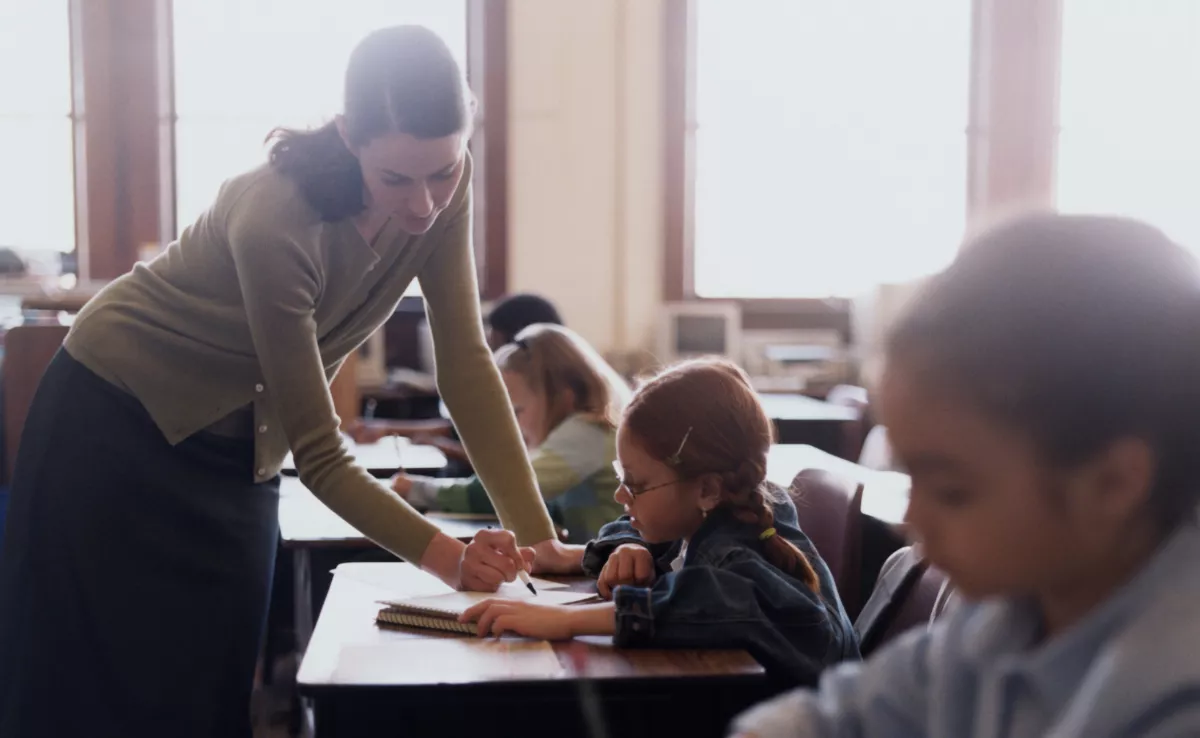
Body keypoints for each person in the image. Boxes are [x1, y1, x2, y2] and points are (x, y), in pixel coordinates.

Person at [0, 26, 575, 738]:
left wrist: (537, 539)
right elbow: (322, 454)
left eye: (444, 172)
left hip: (239, 455)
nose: (425, 203)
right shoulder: (277, 217)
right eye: (396, 179)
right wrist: (451, 562)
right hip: (113, 424)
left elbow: (465, 364)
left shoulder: (437, 186)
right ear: (348, 136)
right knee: (79, 693)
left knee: (211, 693)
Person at [731, 214, 1200, 738]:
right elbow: (842, 716)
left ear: (1111, 485)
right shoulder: (1011, 616)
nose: (908, 519)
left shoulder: (1175, 694)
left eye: (952, 492)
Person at [462, 359, 860, 685]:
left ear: (707, 489)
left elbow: (712, 600)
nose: (621, 497)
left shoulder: (736, 551)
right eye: (621, 477)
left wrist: (565, 619)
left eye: (636, 485)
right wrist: (624, 549)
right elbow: (651, 535)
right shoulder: (725, 506)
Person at [393, 323, 630, 543]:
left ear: (564, 397)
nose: (513, 425)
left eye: (517, 411)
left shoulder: (585, 432)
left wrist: (417, 490)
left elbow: (512, 490)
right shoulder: (586, 429)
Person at [345, 292, 564, 450]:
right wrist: (384, 428)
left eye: (497, 344)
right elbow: (462, 430)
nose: (492, 352)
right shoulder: (520, 387)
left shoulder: (544, 399)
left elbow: (513, 463)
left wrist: (443, 447)